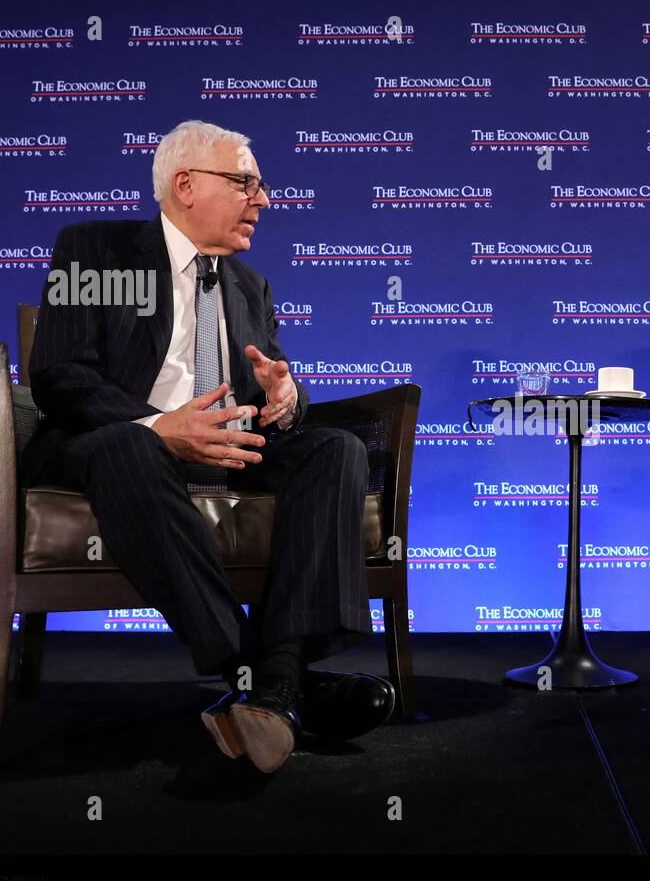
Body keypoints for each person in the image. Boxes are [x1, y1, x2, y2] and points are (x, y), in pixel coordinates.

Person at [24, 120, 394, 773]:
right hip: (111, 446)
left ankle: (272, 686)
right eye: (246, 182)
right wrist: (159, 427)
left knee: (333, 448)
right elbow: (61, 373)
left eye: (262, 186)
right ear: (186, 185)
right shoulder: (96, 249)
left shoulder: (249, 285)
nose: (264, 199)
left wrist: (287, 399)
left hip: (228, 450)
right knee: (131, 448)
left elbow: (274, 388)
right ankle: (268, 681)